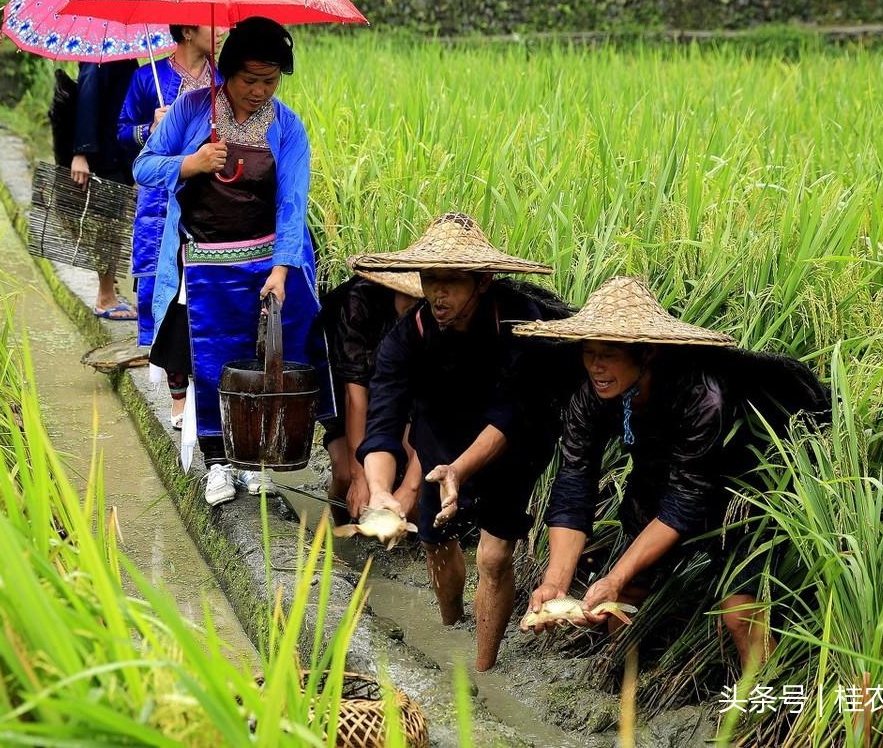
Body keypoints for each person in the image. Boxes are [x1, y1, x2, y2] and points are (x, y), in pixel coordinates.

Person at [516, 277, 829, 673]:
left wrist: (613, 575)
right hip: (656, 481)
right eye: (589, 353)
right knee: (621, 601)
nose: (596, 366)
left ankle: (760, 715)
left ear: (646, 354)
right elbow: (574, 482)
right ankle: (625, 699)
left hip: (736, 495)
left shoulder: (702, 396)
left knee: (739, 614)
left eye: (608, 354)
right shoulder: (591, 395)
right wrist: (556, 583)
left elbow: (685, 502)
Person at [352, 212, 577, 672]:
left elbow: (512, 412)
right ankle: (452, 624)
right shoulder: (407, 336)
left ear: (483, 280)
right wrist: (379, 491)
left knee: (493, 555)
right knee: (435, 537)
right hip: (441, 426)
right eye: (431, 280)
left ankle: (482, 669)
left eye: (452, 282)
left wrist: (462, 470)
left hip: (514, 438)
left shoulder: (521, 322)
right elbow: (384, 420)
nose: (438, 293)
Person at [133, 17, 333, 507]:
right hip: (205, 266)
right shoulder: (192, 110)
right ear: (227, 73)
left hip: (264, 263)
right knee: (212, 361)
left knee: (266, 360)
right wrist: (191, 162)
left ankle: (256, 459)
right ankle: (218, 462)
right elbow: (144, 166)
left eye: (271, 81)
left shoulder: (287, 126)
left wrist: (282, 269)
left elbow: (292, 201)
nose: (260, 91)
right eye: (250, 80)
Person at [118, 25, 223, 424]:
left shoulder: (223, 80)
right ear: (190, 28)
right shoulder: (147, 78)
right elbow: (122, 131)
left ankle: (203, 386)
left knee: (199, 293)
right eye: (214, 26)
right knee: (161, 292)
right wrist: (149, 127)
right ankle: (177, 394)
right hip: (159, 200)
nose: (223, 31)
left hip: (203, 201)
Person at [319, 261, 423, 524]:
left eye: (418, 299)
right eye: (406, 295)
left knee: (416, 464)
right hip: (344, 380)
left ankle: (407, 538)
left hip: (403, 393)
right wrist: (358, 476)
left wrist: (409, 488)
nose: (412, 304)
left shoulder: (432, 317)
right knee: (344, 473)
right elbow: (355, 395)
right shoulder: (360, 303)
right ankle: (342, 533)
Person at [71, 59, 139, 319]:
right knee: (108, 225)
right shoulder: (99, 57)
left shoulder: (123, 57)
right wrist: (81, 151)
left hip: (119, 152)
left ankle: (109, 290)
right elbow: (87, 96)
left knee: (115, 223)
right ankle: (105, 297)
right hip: (105, 154)